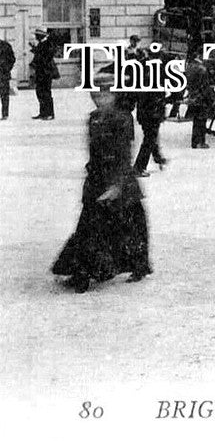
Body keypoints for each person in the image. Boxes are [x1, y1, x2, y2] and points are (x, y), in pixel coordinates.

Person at [51, 73, 152, 293]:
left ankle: (139, 266)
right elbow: (94, 152)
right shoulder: (94, 119)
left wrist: (117, 186)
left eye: (105, 94)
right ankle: (82, 273)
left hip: (120, 181)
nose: (99, 99)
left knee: (132, 227)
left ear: (115, 95)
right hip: (97, 180)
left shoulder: (123, 119)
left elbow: (125, 155)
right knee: (89, 228)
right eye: (95, 95)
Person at [133, 46, 168, 176]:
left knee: (151, 135)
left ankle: (157, 156)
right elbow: (157, 93)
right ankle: (139, 167)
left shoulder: (142, 67)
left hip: (144, 110)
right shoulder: (157, 70)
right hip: (152, 111)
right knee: (149, 138)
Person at [185, 52, 213, 150]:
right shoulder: (202, 69)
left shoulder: (190, 67)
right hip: (201, 98)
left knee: (196, 121)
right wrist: (210, 99)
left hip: (193, 96)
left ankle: (194, 142)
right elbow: (206, 86)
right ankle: (201, 142)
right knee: (202, 121)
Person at [29, 27, 57, 120]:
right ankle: (43, 113)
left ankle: (50, 113)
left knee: (46, 93)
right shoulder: (42, 43)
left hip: (46, 72)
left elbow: (47, 56)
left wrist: (36, 50)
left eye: (37, 35)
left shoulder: (48, 43)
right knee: (40, 92)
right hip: (41, 72)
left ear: (41, 35)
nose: (36, 36)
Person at [0, 36, 14, 119]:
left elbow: (12, 59)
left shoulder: (5, 45)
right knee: (5, 95)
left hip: (3, 74)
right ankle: (5, 114)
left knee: (4, 95)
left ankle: (5, 114)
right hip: (4, 74)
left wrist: (6, 68)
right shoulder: (6, 45)